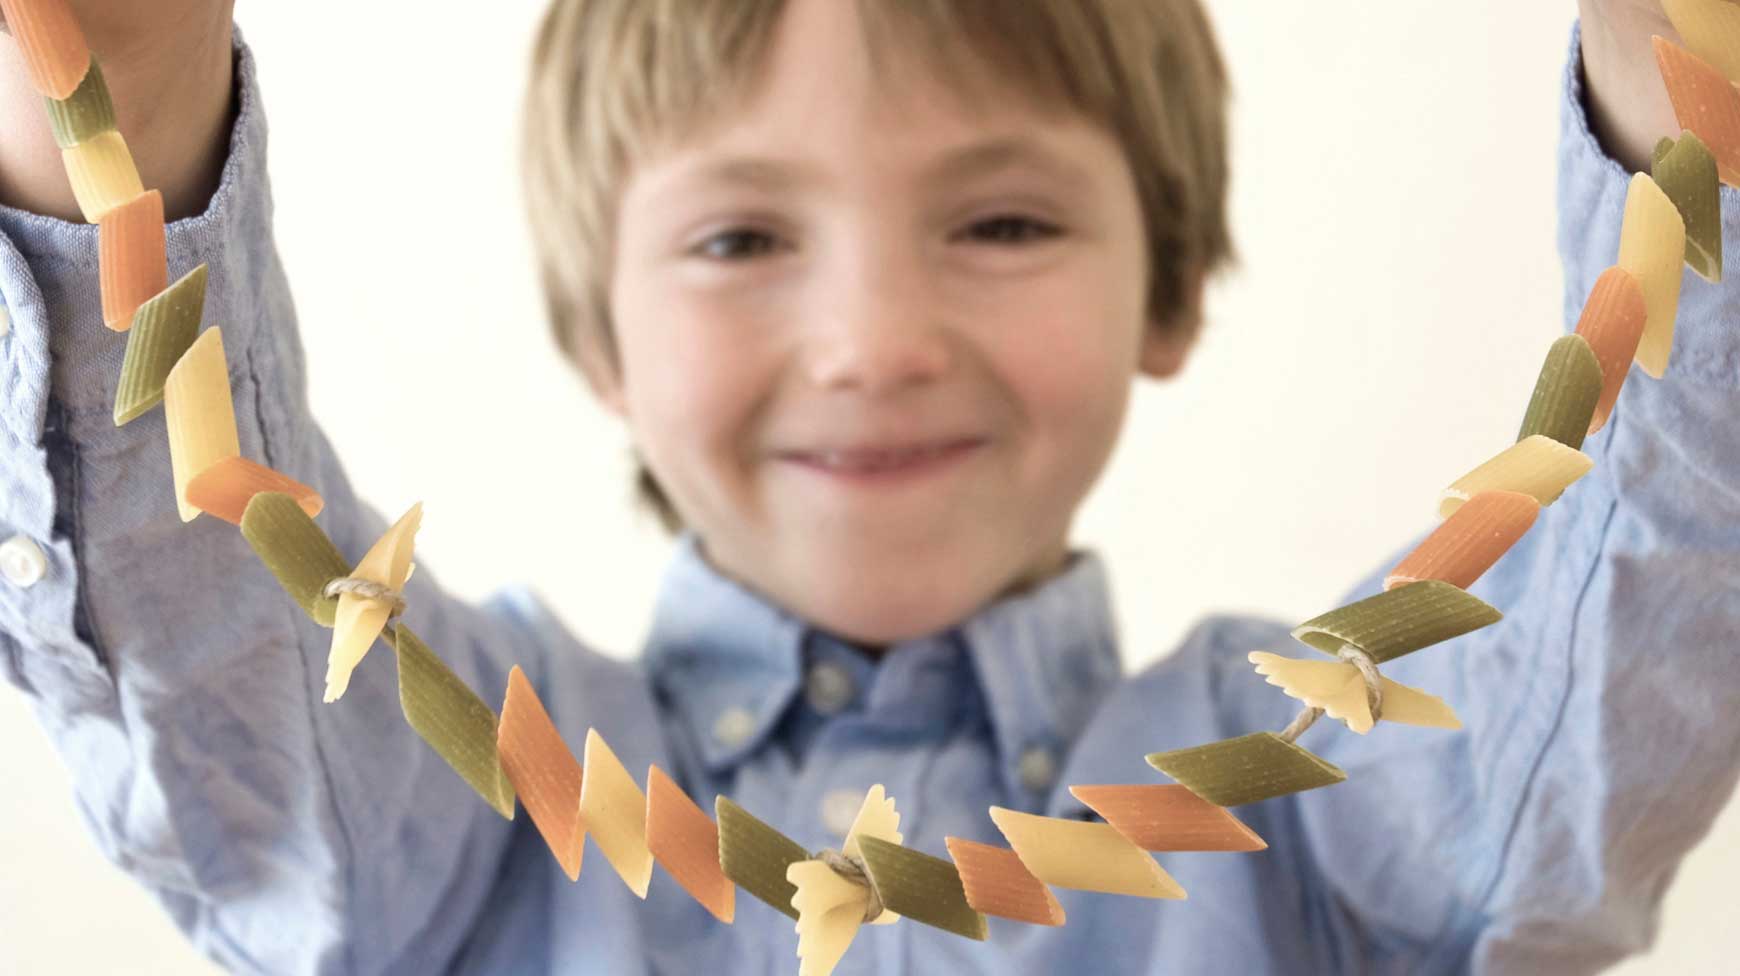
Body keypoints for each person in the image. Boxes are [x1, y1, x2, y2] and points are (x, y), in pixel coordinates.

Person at [0, 1, 1734, 973]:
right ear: (599, 337)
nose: (875, 339)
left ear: (1175, 281)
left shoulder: (1342, 823)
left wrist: (1688, 90)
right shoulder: (448, 807)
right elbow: (202, 588)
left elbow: (1628, 600)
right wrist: (125, 103)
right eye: (743, 237)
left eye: (1002, 223)